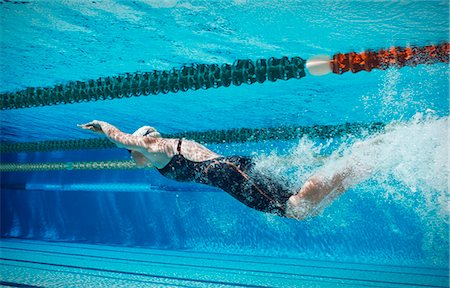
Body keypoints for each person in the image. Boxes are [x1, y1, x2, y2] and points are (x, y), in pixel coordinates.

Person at [78, 120, 365, 220]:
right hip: (233, 170)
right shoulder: (167, 147)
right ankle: (358, 167)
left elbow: (119, 138)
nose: (131, 157)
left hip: (229, 174)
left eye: (132, 152)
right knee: (303, 208)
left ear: (140, 144)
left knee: (296, 207)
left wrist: (101, 125)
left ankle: (353, 162)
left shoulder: (154, 147)